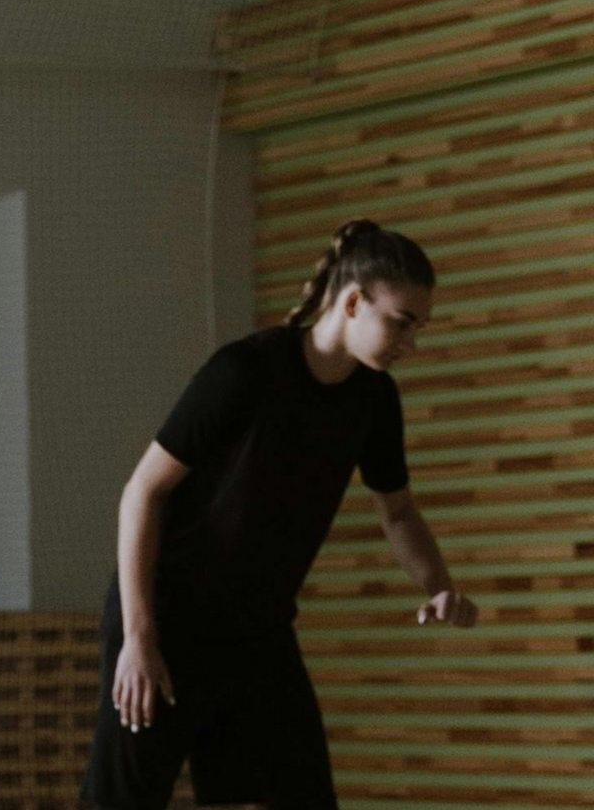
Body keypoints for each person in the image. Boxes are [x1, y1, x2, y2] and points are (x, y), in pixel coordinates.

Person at [82, 218, 480, 810]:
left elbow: (397, 511)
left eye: (419, 327)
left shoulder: (373, 399)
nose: (411, 342)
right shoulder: (245, 372)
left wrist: (438, 584)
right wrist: (138, 639)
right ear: (352, 302)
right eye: (402, 323)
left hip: (257, 633)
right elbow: (142, 493)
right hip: (168, 623)